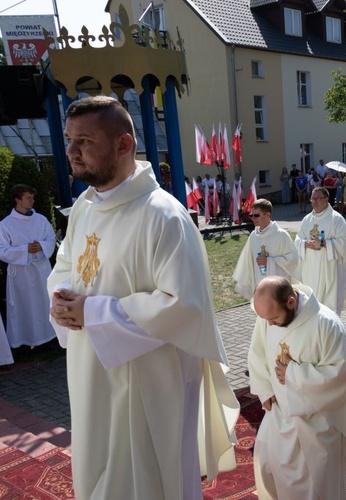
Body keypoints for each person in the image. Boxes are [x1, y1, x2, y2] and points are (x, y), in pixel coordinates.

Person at [48, 96, 238, 499]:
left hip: (148, 383)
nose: (71, 151)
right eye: (69, 140)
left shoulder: (163, 215)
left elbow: (183, 305)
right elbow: (66, 264)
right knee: (96, 466)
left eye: (84, 140)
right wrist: (61, 299)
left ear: (123, 144)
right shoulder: (84, 207)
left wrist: (93, 311)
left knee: (146, 481)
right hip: (89, 370)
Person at [247, 277, 346, 500]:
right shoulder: (267, 318)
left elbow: (342, 373)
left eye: (274, 318)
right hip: (279, 416)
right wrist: (265, 390)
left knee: (317, 489)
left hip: (317, 424)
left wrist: (293, 374)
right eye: (265, 319)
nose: (269, 325)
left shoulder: (325, 323)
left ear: (290, 301)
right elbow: (256, 353)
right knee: (269, 470)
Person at [0, 184, 57, 349]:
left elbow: (51, 239)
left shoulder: (41, 220)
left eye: (32, 197)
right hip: (21, 274)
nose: (32, 201)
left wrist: (41, 245)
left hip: (41, 270)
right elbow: (2, 250)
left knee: (44, 302)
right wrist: (24, 250)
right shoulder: (5, 225)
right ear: (17, 200)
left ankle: (50, 336)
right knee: (25, 306)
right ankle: (26, 340)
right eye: (28, 198)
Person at [295, 186, 346, 315]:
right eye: (312, 199)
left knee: (329, 306)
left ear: (326, 199)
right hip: (310, 269)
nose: (314, 202)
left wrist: (323, 243)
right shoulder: (307, 219)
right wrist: (304, 243)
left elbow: (343, 242)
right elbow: (298, 238)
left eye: (318, 198)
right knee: (311, 305)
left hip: (330, 269)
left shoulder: (336, 219)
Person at [233, 198, 300, 300]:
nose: (253, 218)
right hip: (259, 281)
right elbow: (247, 261)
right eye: (252, 215)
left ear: (268, 214)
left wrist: (269, 261)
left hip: (278, 285)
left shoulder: (281, 235)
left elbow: (293, 260)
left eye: (256, 215)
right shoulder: (253, 236)